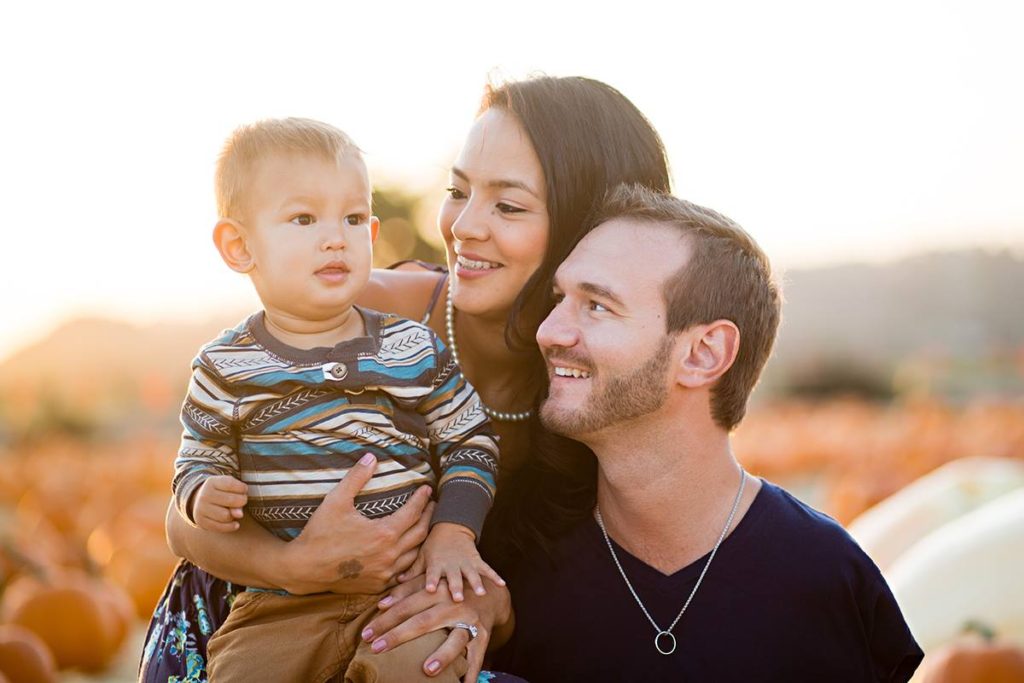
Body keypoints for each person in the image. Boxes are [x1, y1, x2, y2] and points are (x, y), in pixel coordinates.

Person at [140, 75, 672, 683]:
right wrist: (296, 564)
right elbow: (183, 518)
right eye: (458, 190)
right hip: (255, 608)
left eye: (509, 205)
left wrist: (493, 607)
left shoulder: (600, 395)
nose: (464, 225)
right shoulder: (345, 309)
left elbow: (577, 598)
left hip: (404, 633)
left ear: (590, 232)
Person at [489, 185, 924, 681]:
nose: (548, 331)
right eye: (560, 298)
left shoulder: (830, 580)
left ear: (703, 354)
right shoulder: (511, 570)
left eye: (597, 306)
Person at [155, 117, 503, 683]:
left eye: (353, 217)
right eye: (303, 218)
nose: (336, 236)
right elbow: (199, 457)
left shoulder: (412, 348)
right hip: (277, 604)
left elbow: (471, 439)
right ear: (240, 246)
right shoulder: (225, 367)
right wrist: (204, 493)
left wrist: (453, 532)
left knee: (425, 668)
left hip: (404, 594)